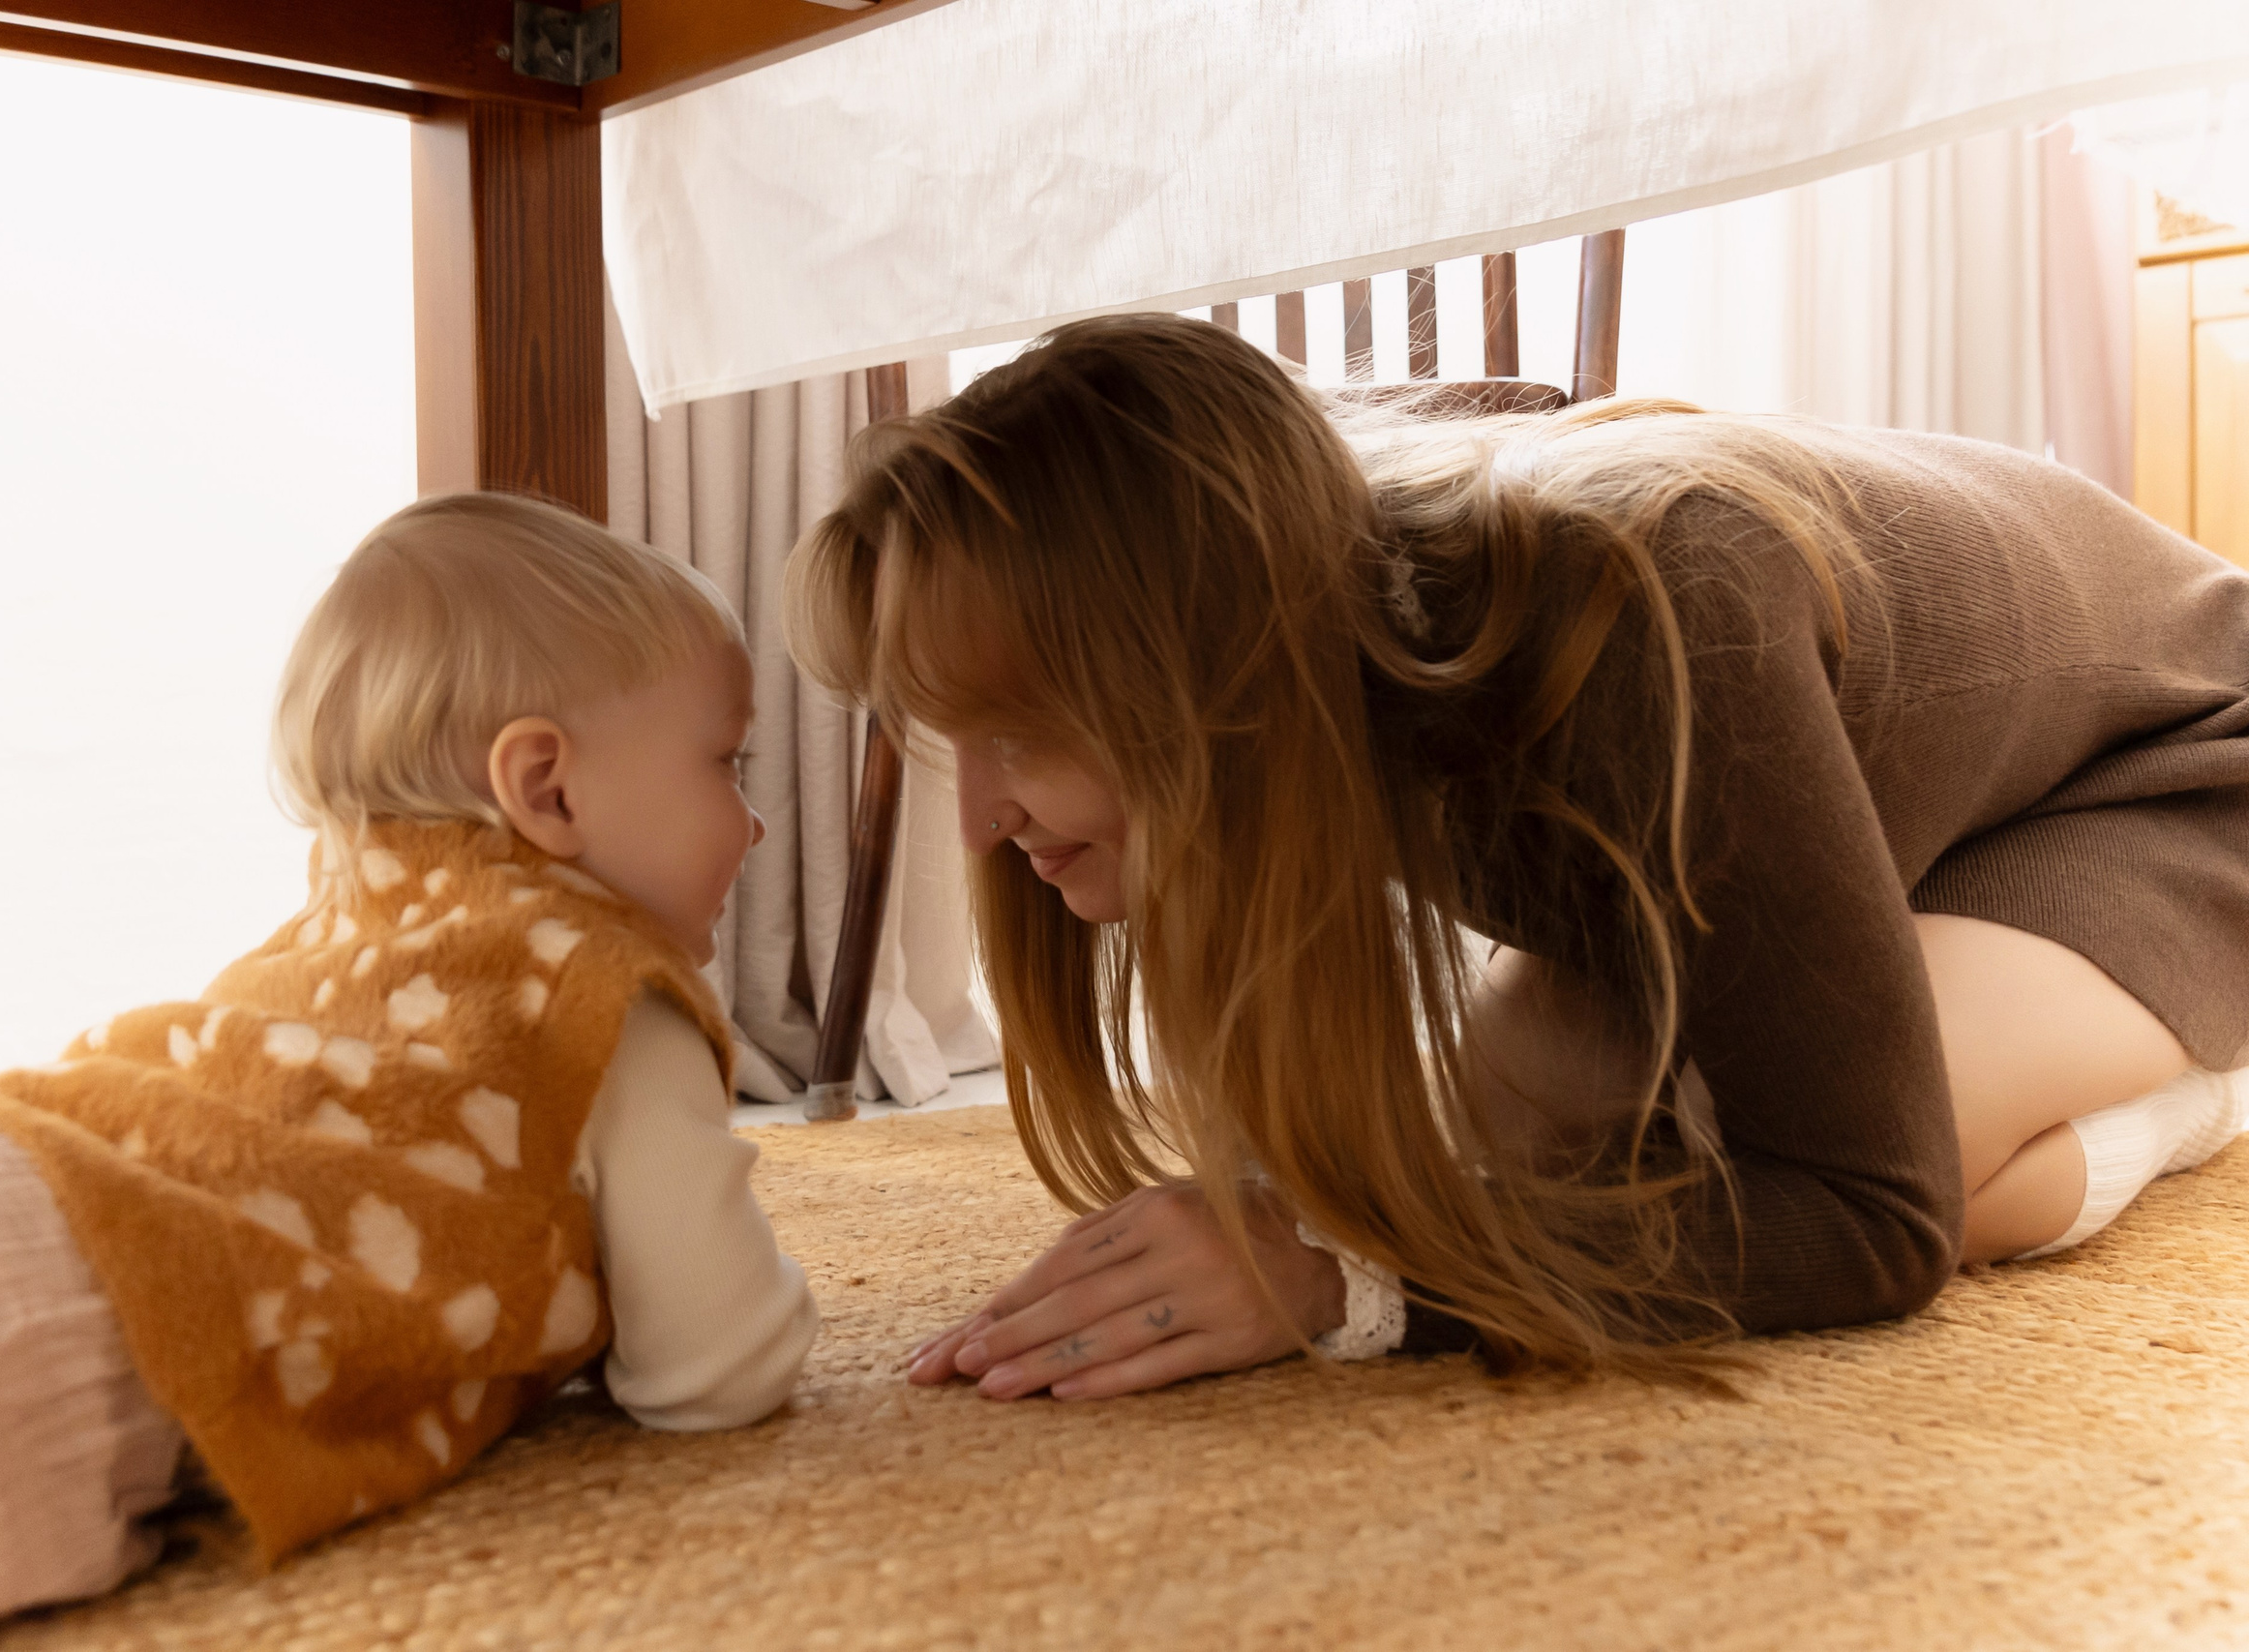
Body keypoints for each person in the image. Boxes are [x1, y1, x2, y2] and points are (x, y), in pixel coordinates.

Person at [785, 313, 2249, 1402]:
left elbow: (1875, 1218)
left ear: (1207, 673)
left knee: (1764, 1164)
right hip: (1888, 803)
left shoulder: (1655, 620)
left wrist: (1347, 1279)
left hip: (2170, 775)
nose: (977, 817)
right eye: (951, 737)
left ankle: (2199, 1093)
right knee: (1510, 1155)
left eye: (1024, 735)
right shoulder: (1325, 633)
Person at [0, 494, 818, 1652]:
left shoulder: (311, 955)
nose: (755, 824)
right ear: (547, 788)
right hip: (12, 1317)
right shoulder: (600, 994)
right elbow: (715, 1369)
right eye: (727, 762)